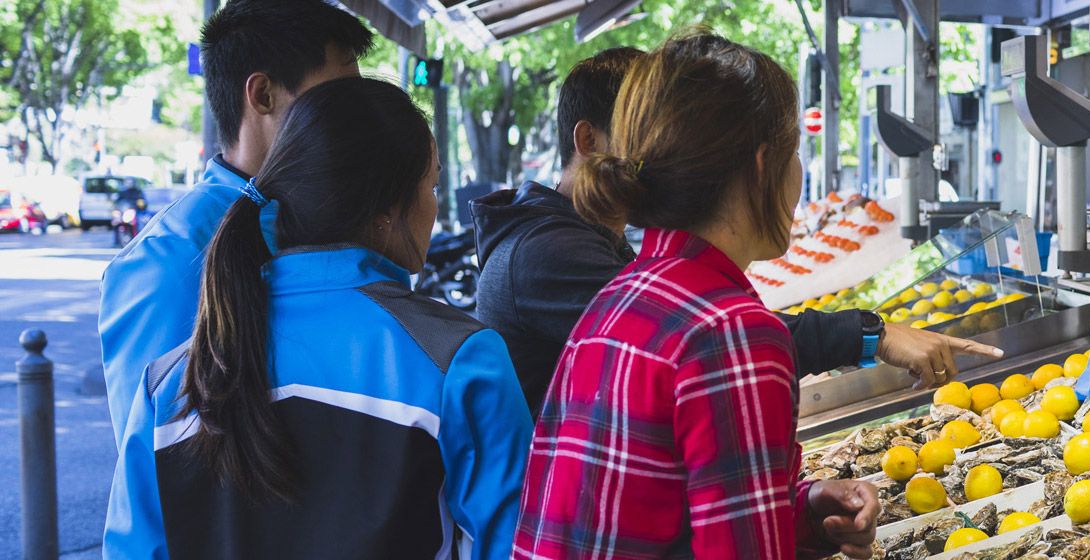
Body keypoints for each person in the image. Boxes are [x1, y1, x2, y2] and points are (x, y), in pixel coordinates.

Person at [104, 77, 531, 559]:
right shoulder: (459, 360)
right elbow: (513, 545)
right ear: (388, 209)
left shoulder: (166, 387)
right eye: (430, 184)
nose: (433, 205)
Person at [513, 32, 878, 559]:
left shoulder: (623, 294)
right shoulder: (732, 332)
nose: (799, 176)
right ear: (761, 165)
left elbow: (660, 509)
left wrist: (802, 511)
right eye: (794, 152)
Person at [473, 47, 1000, 411]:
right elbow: (723, 345)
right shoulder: (549, 255)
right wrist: (868, 334)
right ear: (761, 165)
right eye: (648, 138)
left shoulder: (627, 261)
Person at [99, 0, 371, 441]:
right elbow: (157, 458)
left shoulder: (331, 218)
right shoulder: (169, 259)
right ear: (262, 95)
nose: (358, 118)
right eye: (339, 98)